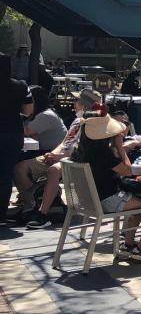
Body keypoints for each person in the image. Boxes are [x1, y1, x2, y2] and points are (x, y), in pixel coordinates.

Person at [74, 109, 141, 260]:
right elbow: (128, 171)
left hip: (89, 201)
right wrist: (120, 147)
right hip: (107, 200)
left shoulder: (80, 151)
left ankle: (128, 244)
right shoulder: (103, 152)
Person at [18, 87, 101, 228]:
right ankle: (31, 206)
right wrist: (53, 153)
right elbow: (65, 142)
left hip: (78, 160)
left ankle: (42, 214)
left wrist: (60, 156)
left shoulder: (95, 123)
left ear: (84, 104)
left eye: (76, 100)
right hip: (61, 155)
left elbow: (83, 150)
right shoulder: (77, 121)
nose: (74, 103)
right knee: (20, 167)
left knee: (54, 170)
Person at [0, 55, 26, 219]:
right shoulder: (20, 86)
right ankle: (1, 213)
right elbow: (28, 111)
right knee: (5, 174)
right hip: (12, 133)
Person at [22, 86, 66, 154]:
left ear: (35, 101)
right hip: (48, 150)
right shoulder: (43, 113)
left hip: (52, 153)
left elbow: (26, 132)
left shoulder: (45, 115)